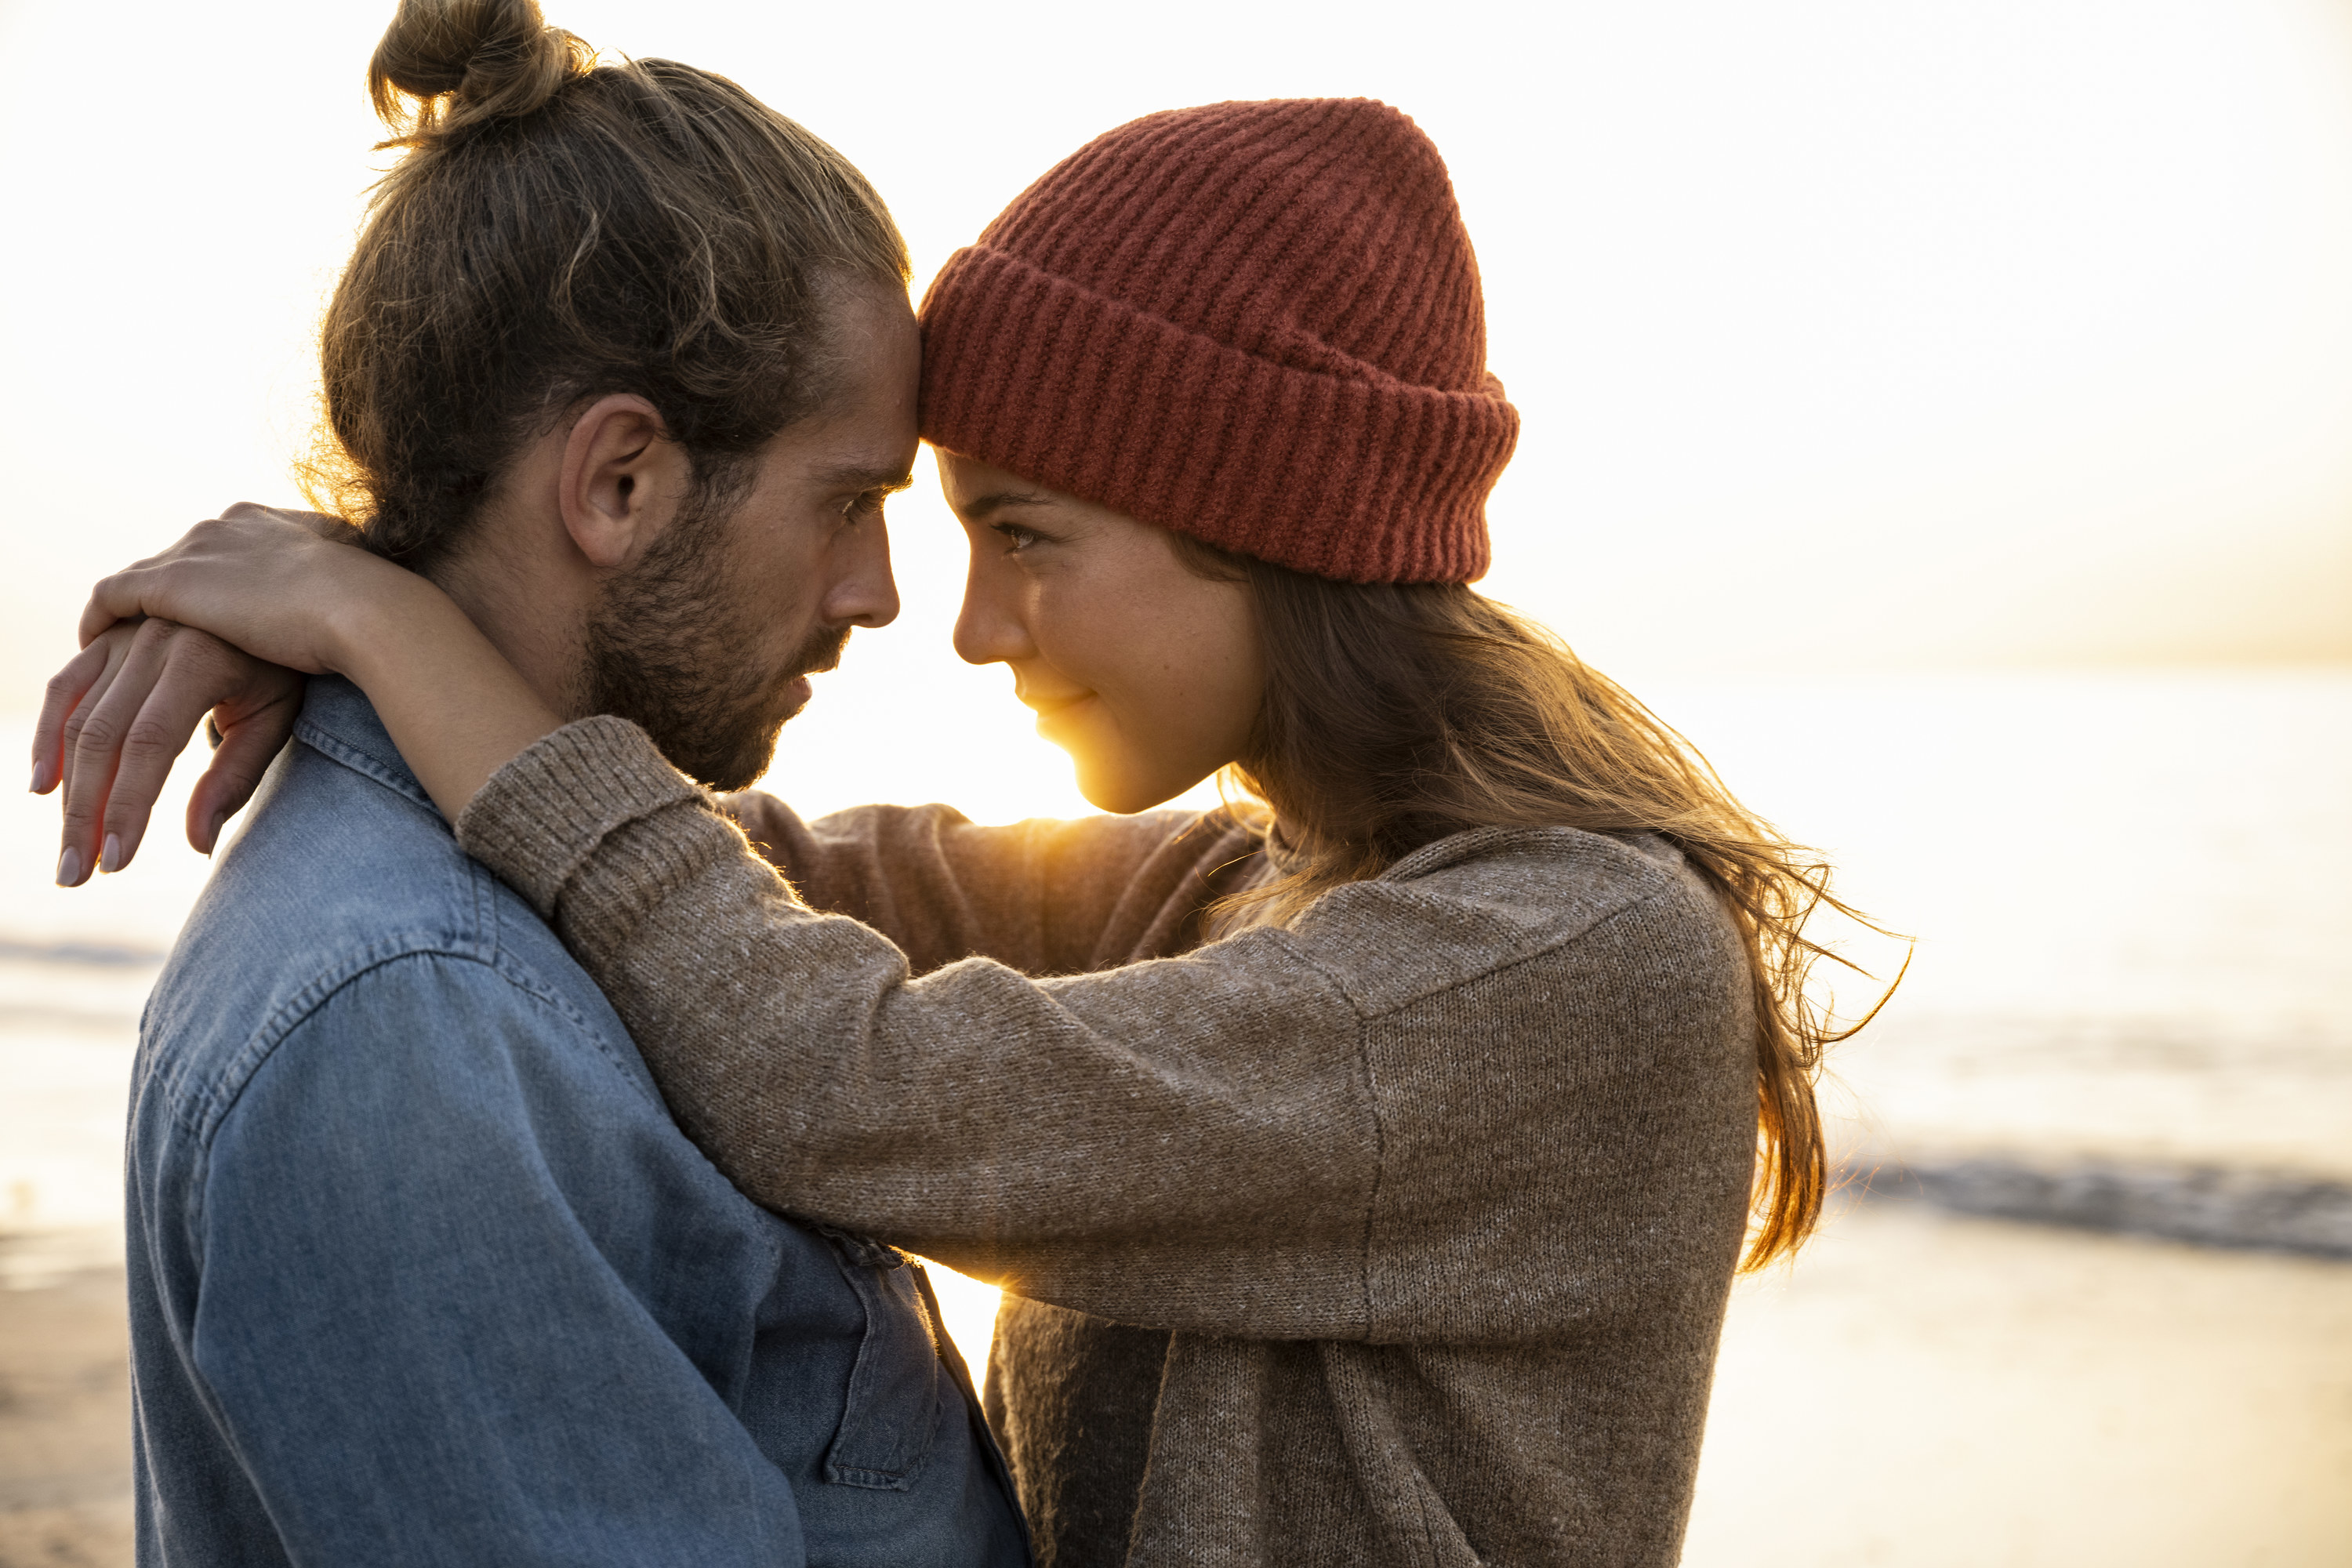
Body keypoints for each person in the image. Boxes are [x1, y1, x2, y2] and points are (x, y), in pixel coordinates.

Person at [45, 96, 1884, 1568]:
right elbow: (778, 878)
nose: (961, 618)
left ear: (1253, 521)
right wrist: (382, 619)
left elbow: (848, 1079)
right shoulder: (1257, 893)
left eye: (1024, 532)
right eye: (894, 509)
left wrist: (385, 627)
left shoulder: (1561, 962)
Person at [29, 4, 1033, 1564]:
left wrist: (365, 611)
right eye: (849, 502)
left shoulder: (571, 905)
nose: (879, 594)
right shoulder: (410, 1020)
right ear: (618, 482)